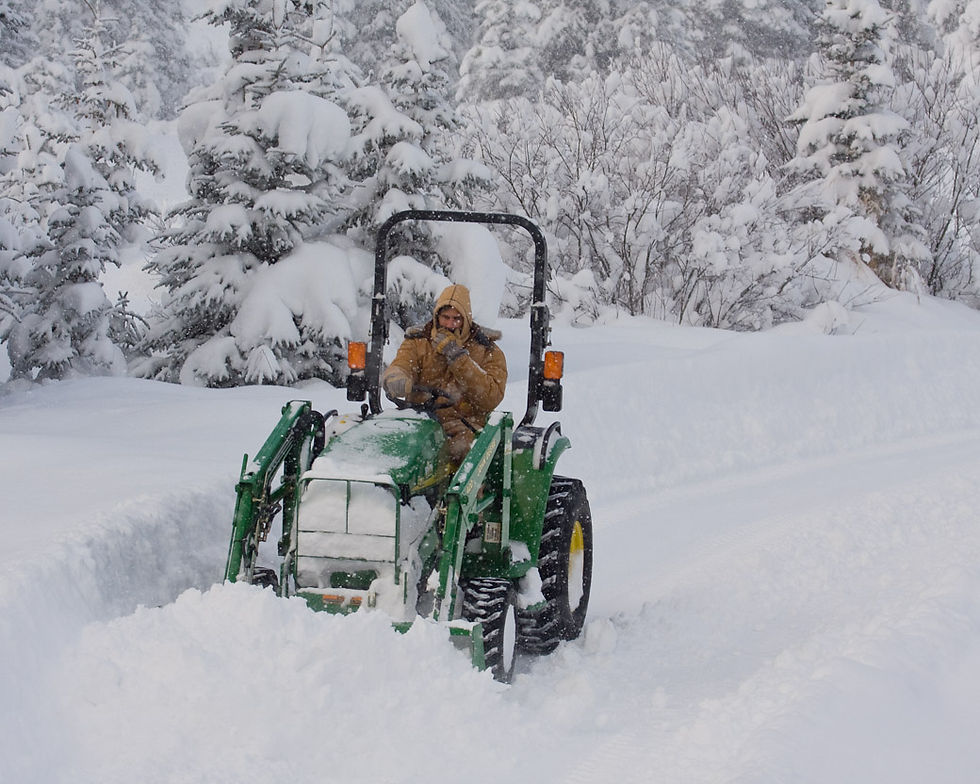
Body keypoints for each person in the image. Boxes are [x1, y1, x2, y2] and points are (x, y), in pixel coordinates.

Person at [382, 284, 507, 464]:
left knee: (464, 451)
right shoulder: (418, 342)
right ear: (436, 316)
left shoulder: (487, 351)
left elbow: (491, 396)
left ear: (466, 320)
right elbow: (401, 365)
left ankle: (466, 492)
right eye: (445, 317)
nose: (450, 324)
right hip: (418, 419)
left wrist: (457, 358)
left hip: (462, 425)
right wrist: (395, 378)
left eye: (457, 319)